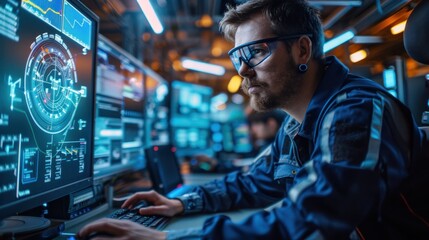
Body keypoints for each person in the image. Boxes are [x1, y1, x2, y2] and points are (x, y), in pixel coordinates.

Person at [78, 0, 429, 239]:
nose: (243, 69)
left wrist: (168, 238)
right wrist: (183, 202)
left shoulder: (355, 111)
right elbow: (254, 183)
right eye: (237, 56)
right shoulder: (297, 124)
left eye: (256, 51)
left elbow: (313, 222)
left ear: (302, 50)